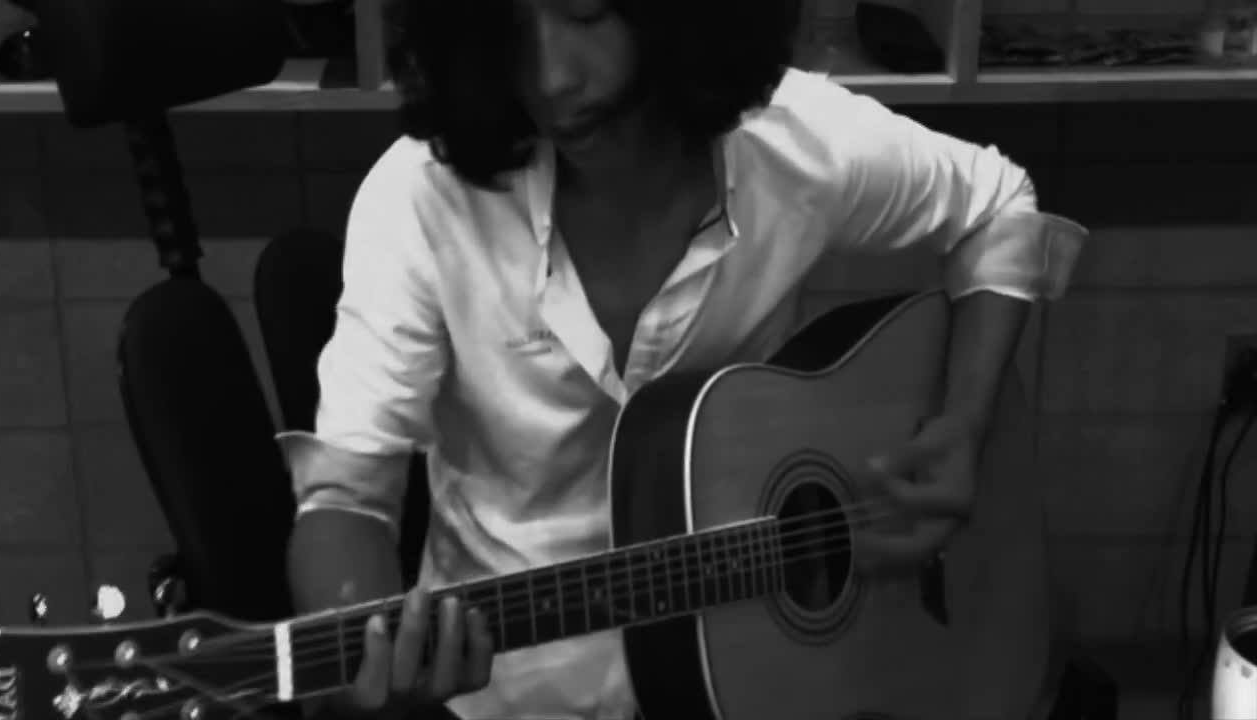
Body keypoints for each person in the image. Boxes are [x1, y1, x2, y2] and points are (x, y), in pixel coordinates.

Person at [278, 0, 1089, 718]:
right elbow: (347, 495)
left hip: (758, 673)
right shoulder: (421, 197)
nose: (552, 78)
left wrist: (963, 424)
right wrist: (360, 655)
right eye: (509, 29)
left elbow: (1001, 207)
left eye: (587, 14)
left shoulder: (793, 146)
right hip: (513, 692)